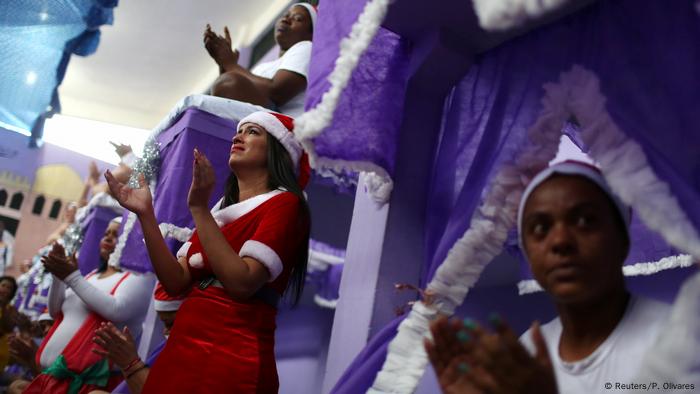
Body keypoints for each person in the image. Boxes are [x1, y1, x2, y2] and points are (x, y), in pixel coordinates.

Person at [105, 110, 311, 393]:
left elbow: (242, 283)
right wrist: (146, 214)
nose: (238, 136)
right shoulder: (219, 211)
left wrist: (199, 209)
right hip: (184, 341)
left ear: (279, 151)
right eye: (240, 130)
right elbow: (175, 281)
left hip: (232, 351)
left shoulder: (286, 204)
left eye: (253, 132)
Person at [425, 161, 672, 394]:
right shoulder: (529, 351)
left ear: (622, 239)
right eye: (540, 228)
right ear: (528, 253)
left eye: (585, 220)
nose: (560, 240)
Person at [23, 217, 152, 394]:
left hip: (85, 386)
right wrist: (58, 276)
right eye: (106, 233)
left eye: (116, 234)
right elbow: (55, 311)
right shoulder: (91, 276)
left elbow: (116, 310)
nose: (108, 238)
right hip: (51, 379)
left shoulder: (139, 277)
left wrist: (71, 277)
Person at [205, 3, 316, 117]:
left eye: (297, 18)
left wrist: (231, 65)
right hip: (252, 123)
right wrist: (223, 63)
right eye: (285, 15)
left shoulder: (307, 47)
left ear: (311, 34)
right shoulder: (262, 67)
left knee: (228, 82)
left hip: (282, 125)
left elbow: (277, 93)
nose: (285, 19)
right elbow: (231, 97)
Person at [89, 282, 187, 394]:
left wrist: (130, 363)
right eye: (163, 324)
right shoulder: (166, 347)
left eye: (170, 323)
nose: (165, 331)